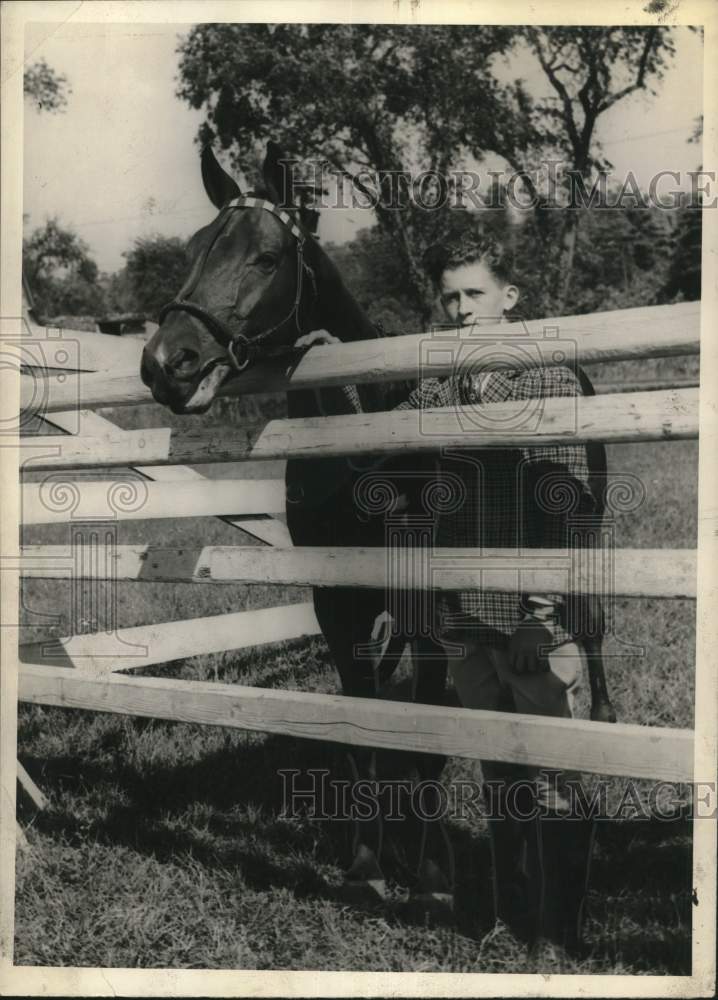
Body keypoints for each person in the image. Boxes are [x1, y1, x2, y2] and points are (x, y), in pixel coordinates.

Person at [300, 215, 604, 953]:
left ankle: (562, 935)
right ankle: (512, 918)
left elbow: (570, 507)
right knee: (496, 765)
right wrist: (341, 369)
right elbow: (386, 451)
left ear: (511, 297)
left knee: (554, 768)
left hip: (536, 615)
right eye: (449, 299)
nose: (461, 311)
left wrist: (539, 614)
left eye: (474, 294)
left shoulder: (547, 376)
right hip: (465, 614)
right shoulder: (443, 379)